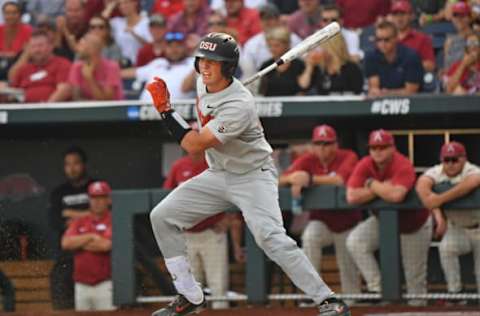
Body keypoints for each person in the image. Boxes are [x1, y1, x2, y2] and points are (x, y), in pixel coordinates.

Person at [146, 32, 350, 316]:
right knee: (162, 216)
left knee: (270, 238)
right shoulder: (203, 83)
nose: (204, 67)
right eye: (202, 60)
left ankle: (328, 300)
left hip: (253, 175)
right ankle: (189, 295)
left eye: (213, 62)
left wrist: (166, 111)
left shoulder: (240, 106)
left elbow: (193, 145)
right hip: (218, 173)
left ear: (228, 67)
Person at [345, 129, 432, 306]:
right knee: (355, 242)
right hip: (382, 222)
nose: (377, 151)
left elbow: (396, 196)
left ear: (392, 148)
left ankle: (417, 309)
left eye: (383, 147)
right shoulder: (365, 163)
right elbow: (352, 196)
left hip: (414, 225)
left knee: (414, 280)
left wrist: (370, 184)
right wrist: (379, 188)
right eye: (374, 147)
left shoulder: (402, 163)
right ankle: (378, 289)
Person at [279, 125, 362, 299]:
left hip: (347, 222)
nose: (322, 148)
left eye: (327, 143)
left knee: (347, 267)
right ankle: (313, 295)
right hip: (322, 220)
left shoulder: (348, 156)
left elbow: (340, 180)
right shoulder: (308, 159)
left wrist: (309, 179)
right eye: (318, 143)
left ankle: (354, 300)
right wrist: (292, 178)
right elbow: (279, 180)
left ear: (335, 144)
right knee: (309, 237)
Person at [163, 143, 244, 309]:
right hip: (187, 235)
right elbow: (166, 198)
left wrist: (228, 218)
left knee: (218, 286)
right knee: (190, 289)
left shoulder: (215, 163)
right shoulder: (178, 166)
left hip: (212, 232)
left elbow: (234, 193)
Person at [416, 141, 480, 298]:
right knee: (446, 248)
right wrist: (438, 216)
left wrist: (440, 198)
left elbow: (473, 182)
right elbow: (421, 186)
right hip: (457, 228)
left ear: (464, 159)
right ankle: (455, 293)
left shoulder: (471, 170)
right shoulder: (437, 171)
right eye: (447, 160)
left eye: (455, 159)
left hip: (478, 227)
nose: (450, 164)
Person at [49, 147, 96, 310]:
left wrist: (71, 214)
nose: (72, 168)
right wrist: (88, 215)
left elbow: (103, 216)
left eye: (76, 163)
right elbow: (55, 221)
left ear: (84, 165)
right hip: (70, 251)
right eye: (68, 164)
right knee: (59, 276)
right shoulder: (59, 192)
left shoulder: (96, 188)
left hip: (97, 247)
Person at [61, 181, 115, 311]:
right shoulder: (80, 221)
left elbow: (106, 245)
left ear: (108, 199)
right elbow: (66, 243)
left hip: (105, 284)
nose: (96, 202)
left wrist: (79, 243)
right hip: (81, 285)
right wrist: (91, 237)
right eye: (93, 198)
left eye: (101, 197)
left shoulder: (114, 219)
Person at [121, 31, 194, 101]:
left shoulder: (193, 63)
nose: (174, 50)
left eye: (178, 46)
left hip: (175, 110)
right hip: (145, 109)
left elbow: (185, 88)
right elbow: (132, 73)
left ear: (185, 47)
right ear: (165, 48)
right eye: (170, 46)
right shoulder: (158, 63)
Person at [51, 32, 124, 101]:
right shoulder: (77, 67)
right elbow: (76, 98)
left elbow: (108, 101)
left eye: (81, 45)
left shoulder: (111, 67)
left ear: (92, 49)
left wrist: (89, 78)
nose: (77, 48)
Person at [8, 29, 72, 103]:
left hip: (52, 111)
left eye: (40, 45)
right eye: (33, 46)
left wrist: (45, 107)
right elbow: (12, 90)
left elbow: (64, 89)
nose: (37, 50)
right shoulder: (24, 69)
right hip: (24, 110)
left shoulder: (62, 64)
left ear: (51, 46)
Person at [241, 3, 302, 78]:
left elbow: (302, 64)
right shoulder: (252, 44)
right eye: (263, 18)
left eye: (269, 18)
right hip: (263, 82)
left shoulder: (292, 38)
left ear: (278, 19)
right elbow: (249, 73)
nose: (266, 22)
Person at [365, 21, 423, 97]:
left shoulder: (411, 57)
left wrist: (387, 93)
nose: (382, 43)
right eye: (378, 39)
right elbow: (374, 88)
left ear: (396, 38)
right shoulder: (371, 57)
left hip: (410, 104)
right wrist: (379, 93)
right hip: (382, 102)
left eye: (386, 39)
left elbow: (411, 91)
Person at [298, 33, 364, 95]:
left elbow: (357, 94)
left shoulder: (351, 68)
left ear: (332, 49)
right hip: (322, 106)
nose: (318, 51)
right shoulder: (319, 69)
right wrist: (309, 67)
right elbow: (303, 86)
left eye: (321, 48)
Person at [389, 0, 436, 73]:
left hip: (414, 79)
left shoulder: (422, 38)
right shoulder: (386, 39)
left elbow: (431, 66)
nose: (399, 18)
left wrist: (407, 64)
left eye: (403, 14)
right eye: (395, 14)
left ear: (411, 16)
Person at [258, 26, 305, 96]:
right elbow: (261, 92)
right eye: (270, 46)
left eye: (276, 45)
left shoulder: (298, 65)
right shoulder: (266, 66)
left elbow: (302, 90)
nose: (272, 49)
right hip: (271, 105)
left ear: (287, 45)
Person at [109, 0, 152, 66]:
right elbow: (99, 22)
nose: (122, 6)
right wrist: (110, 7)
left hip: (141, 65)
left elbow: (152, 46)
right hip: (120, 65)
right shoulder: (116, 22)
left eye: (126, 3)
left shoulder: (146, 22)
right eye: (120, 4)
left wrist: (134, 34)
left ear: (135, 3)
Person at [0, 1, 32, 81]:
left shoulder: (28, 30)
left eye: (14, 13)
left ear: (20, 15)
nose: (10, 16)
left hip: (18, 65)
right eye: (7, 13)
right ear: (3, 15)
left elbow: (27, 53)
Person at [443, 2, 473, 71]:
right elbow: (447, 67)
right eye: (455, 15)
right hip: (452, 79)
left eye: (462, 15)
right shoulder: (449, 40)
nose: (459, 18)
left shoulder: (476, 37)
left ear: (470, 18)